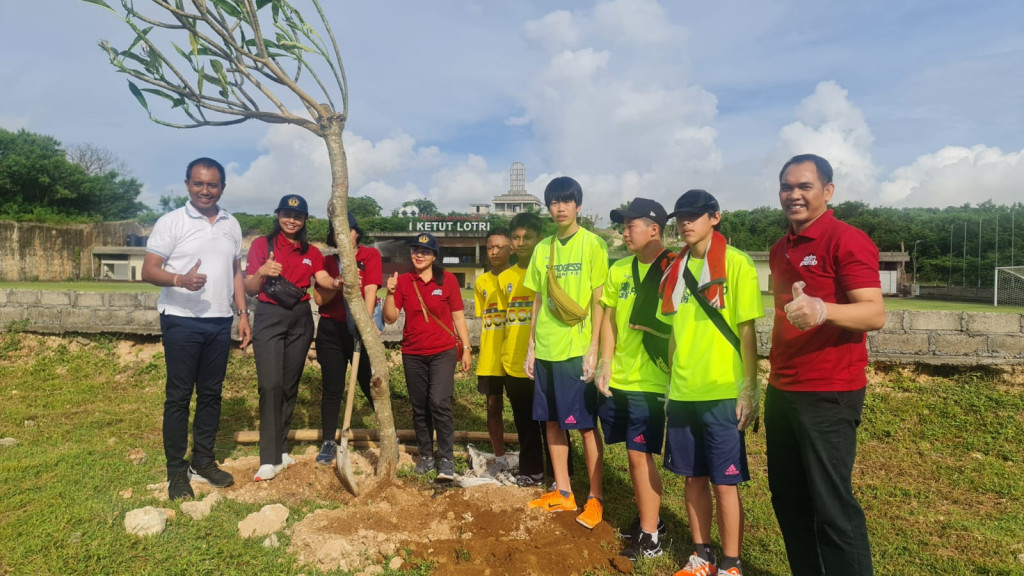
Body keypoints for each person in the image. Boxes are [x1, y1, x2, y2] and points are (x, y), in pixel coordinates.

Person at [767, 154, 884, 576]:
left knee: (831, 505)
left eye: (805, 186)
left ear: (828, 191)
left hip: (829, 391)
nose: (793, 195)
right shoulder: (779, 248)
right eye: (786, 187)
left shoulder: (846, 239)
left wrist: (823, 310)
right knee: (789, 499)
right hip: (782, 389)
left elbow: (874, 313)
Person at [658, 190, 763, 576]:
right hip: (684, 392)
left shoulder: (736, 263)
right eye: (680, 217)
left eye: (694, 215)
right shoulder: (674, 268)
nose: (686, 223)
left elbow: (746, 329)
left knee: (724, 482)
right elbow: (673, 332)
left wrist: (749, 387)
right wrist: (670, 383)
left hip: (722, 392)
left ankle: (732, 564)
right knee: (693, 478)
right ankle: (702, 556)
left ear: (715, 217)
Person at [142, 157, 251, 500]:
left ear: (222, 187)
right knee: (178, 397)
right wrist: (180, 280)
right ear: (188, 184)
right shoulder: (172, 221)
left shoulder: (231, 224)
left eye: (212, 185)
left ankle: (202, 461)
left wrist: (243, 313)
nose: (206, 190)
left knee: (211, 394)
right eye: (199, 184)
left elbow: (235, 272)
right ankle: (176, 472)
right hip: (181, 319)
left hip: (219, 320)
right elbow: (149, 270)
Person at [524, 176, 608, 530]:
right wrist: (531, 345)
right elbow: (538, 299)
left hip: (577, 350)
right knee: (551, 422)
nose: (560, 208)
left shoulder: (593, 244)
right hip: (547, 349)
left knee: (586, 426)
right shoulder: (543, 248)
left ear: (578, 205)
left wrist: (594, 347)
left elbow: (600, 299)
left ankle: (595, 497)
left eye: (566, 201)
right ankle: (564, 491)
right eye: (554, 202)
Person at [595, 198, 673, 561]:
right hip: (621, 378)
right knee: (633, 455)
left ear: (654, 229)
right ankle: (649, 518)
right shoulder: (619, 269)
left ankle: (651, 536)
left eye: (631, 226)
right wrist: (605, 363)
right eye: (622, 227)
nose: (624, 233)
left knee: (639, 454)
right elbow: (609, 321)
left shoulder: (674, 268)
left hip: (652, 380)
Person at [244, 194, 339, 482]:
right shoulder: (262, 245)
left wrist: (337, 283)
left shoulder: (312, 251)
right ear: (278, 215)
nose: (292, 220)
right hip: (269, 315)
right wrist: (263, 271)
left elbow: (321, 277)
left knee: (288, 386)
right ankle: (268, 458)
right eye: (287, 214)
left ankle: (281, 450)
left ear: (305, 220)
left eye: (297, 216)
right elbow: (250, 287)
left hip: (300, 318)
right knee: (270, 385)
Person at [383, 232, 472, 482]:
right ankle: (426, 456)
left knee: (439, 402)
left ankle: (446, 458)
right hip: (413, 353)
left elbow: (458, 316)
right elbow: (390, 318)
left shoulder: (448, 280)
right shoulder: (403, 281)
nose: (419, 255)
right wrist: (389, 292)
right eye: (416, 250)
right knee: (420, 406)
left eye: (425, 251)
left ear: (434, 256)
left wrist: (466, 348)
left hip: (443, 351)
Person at [312, 211, 383, 465]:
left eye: (348, 229)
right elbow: (319, 299)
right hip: (331, 330)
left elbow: (371, 290)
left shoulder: (370, 255)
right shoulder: (327, 262)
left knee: (370, 383)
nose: (342, 234)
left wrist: (365, 324)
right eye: (336, 231)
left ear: (356, 232)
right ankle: (329, 441)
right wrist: (338, 283)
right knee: (332, 387)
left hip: (359, 329)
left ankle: (388, 436)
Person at [496, 213, 548, 487]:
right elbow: (502, 321)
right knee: (525, 423)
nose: (521, 243)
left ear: (540, 239)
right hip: (513, 362)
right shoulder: (505, 277)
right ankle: (532, 471)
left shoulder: (548, 272)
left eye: (528, 237)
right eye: (516, 238)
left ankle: (560, 476)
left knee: (551, 423)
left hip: (545, 360)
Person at [474, 229, 514, 475]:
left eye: (500, 247)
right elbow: (483, 317)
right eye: (490, 247)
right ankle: (500, 457)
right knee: (492, 406)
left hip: (516, 354)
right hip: (490, 356)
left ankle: (532, 456)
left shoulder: (521, 276)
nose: (494, 252)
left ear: (511, 248)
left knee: (524, 409)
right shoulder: (481, 282)